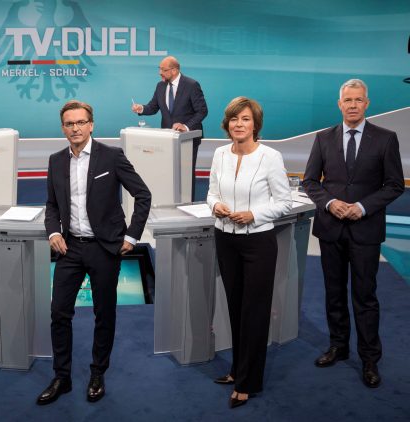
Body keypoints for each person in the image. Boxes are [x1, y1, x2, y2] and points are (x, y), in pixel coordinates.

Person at [37, 100, 151, 405]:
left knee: (104, 313)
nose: (75, 128)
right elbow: (51, 205)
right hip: (70, 247)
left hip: (105, 248)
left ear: (91, 125)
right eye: (69, 123)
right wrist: (53, 230)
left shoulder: (111, 157)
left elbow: (142, 195)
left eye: (80, 122)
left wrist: (132, 235)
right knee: (59, 312)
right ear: (63, 128)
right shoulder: (55, 160)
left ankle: (98, 372)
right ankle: (62, 377)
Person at [302, 79, 404, 388]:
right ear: (339, 104)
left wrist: (361, 206)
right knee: (334, 294)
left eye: (359, 100)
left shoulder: (386, 139)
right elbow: (310, 181)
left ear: (367, 103)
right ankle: (338, 346)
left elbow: (394, 185)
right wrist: (331, 203)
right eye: (348, 100)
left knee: (365, 296)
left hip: (365, 229)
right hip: (331, 229)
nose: (353, 105)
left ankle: (370, 358)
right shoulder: (323, 138)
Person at [206, 97, 292, 408]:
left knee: (254, 313)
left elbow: (284, 202)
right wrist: (216, 206)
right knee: (235, 309)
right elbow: (212, 192)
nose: (238, 124)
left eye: (244, 119)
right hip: (225, 239)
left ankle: (248, 381)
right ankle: (237, 370)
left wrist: (254, 214)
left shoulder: (270, 156)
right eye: (233, 119)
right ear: (227, 124)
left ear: (255, 124)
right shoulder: (219, 154)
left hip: (258, 243)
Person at [131, 55, 208, 200]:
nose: (160, 72)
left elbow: (202, 111)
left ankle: (186, 204)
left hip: (188, 140)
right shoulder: (160, 86)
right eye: (159, 69)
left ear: (174, 70)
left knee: (185, 175)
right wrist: (141, 108)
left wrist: (185, 126)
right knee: (168, 173)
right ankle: (169, 202)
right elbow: (153, 107)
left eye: (163, 69)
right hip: (167, 140)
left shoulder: (191, 85)